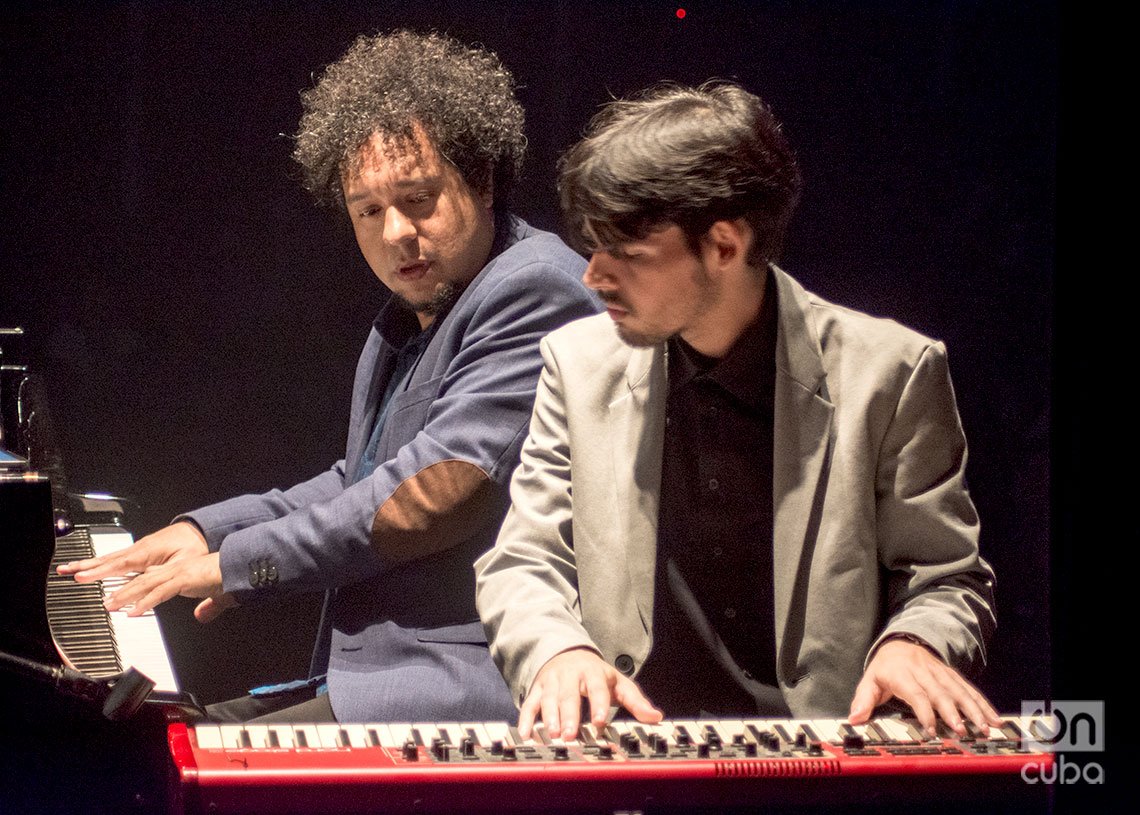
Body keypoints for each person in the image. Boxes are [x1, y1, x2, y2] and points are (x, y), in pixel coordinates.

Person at [59, 30, 598, 723]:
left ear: (483, 179)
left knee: (152, 763)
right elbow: (359, 477)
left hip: (458, 689)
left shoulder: (534, 288)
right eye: (368, 211)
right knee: (140, 742)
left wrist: (237, 565)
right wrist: (211, 531)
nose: (396, 232)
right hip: (375, 677)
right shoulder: (414, 313)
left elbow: (423, 500)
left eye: (419, 198)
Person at [475, 81, 1000, 742]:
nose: (592, 276)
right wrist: (558, 649)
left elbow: (946, 580)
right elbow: (524, 561)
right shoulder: (576, 366)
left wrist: (914, 643)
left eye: (627, 254)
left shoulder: (891, 373)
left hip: (822, 762)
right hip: (641, 756)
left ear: (723, 246)